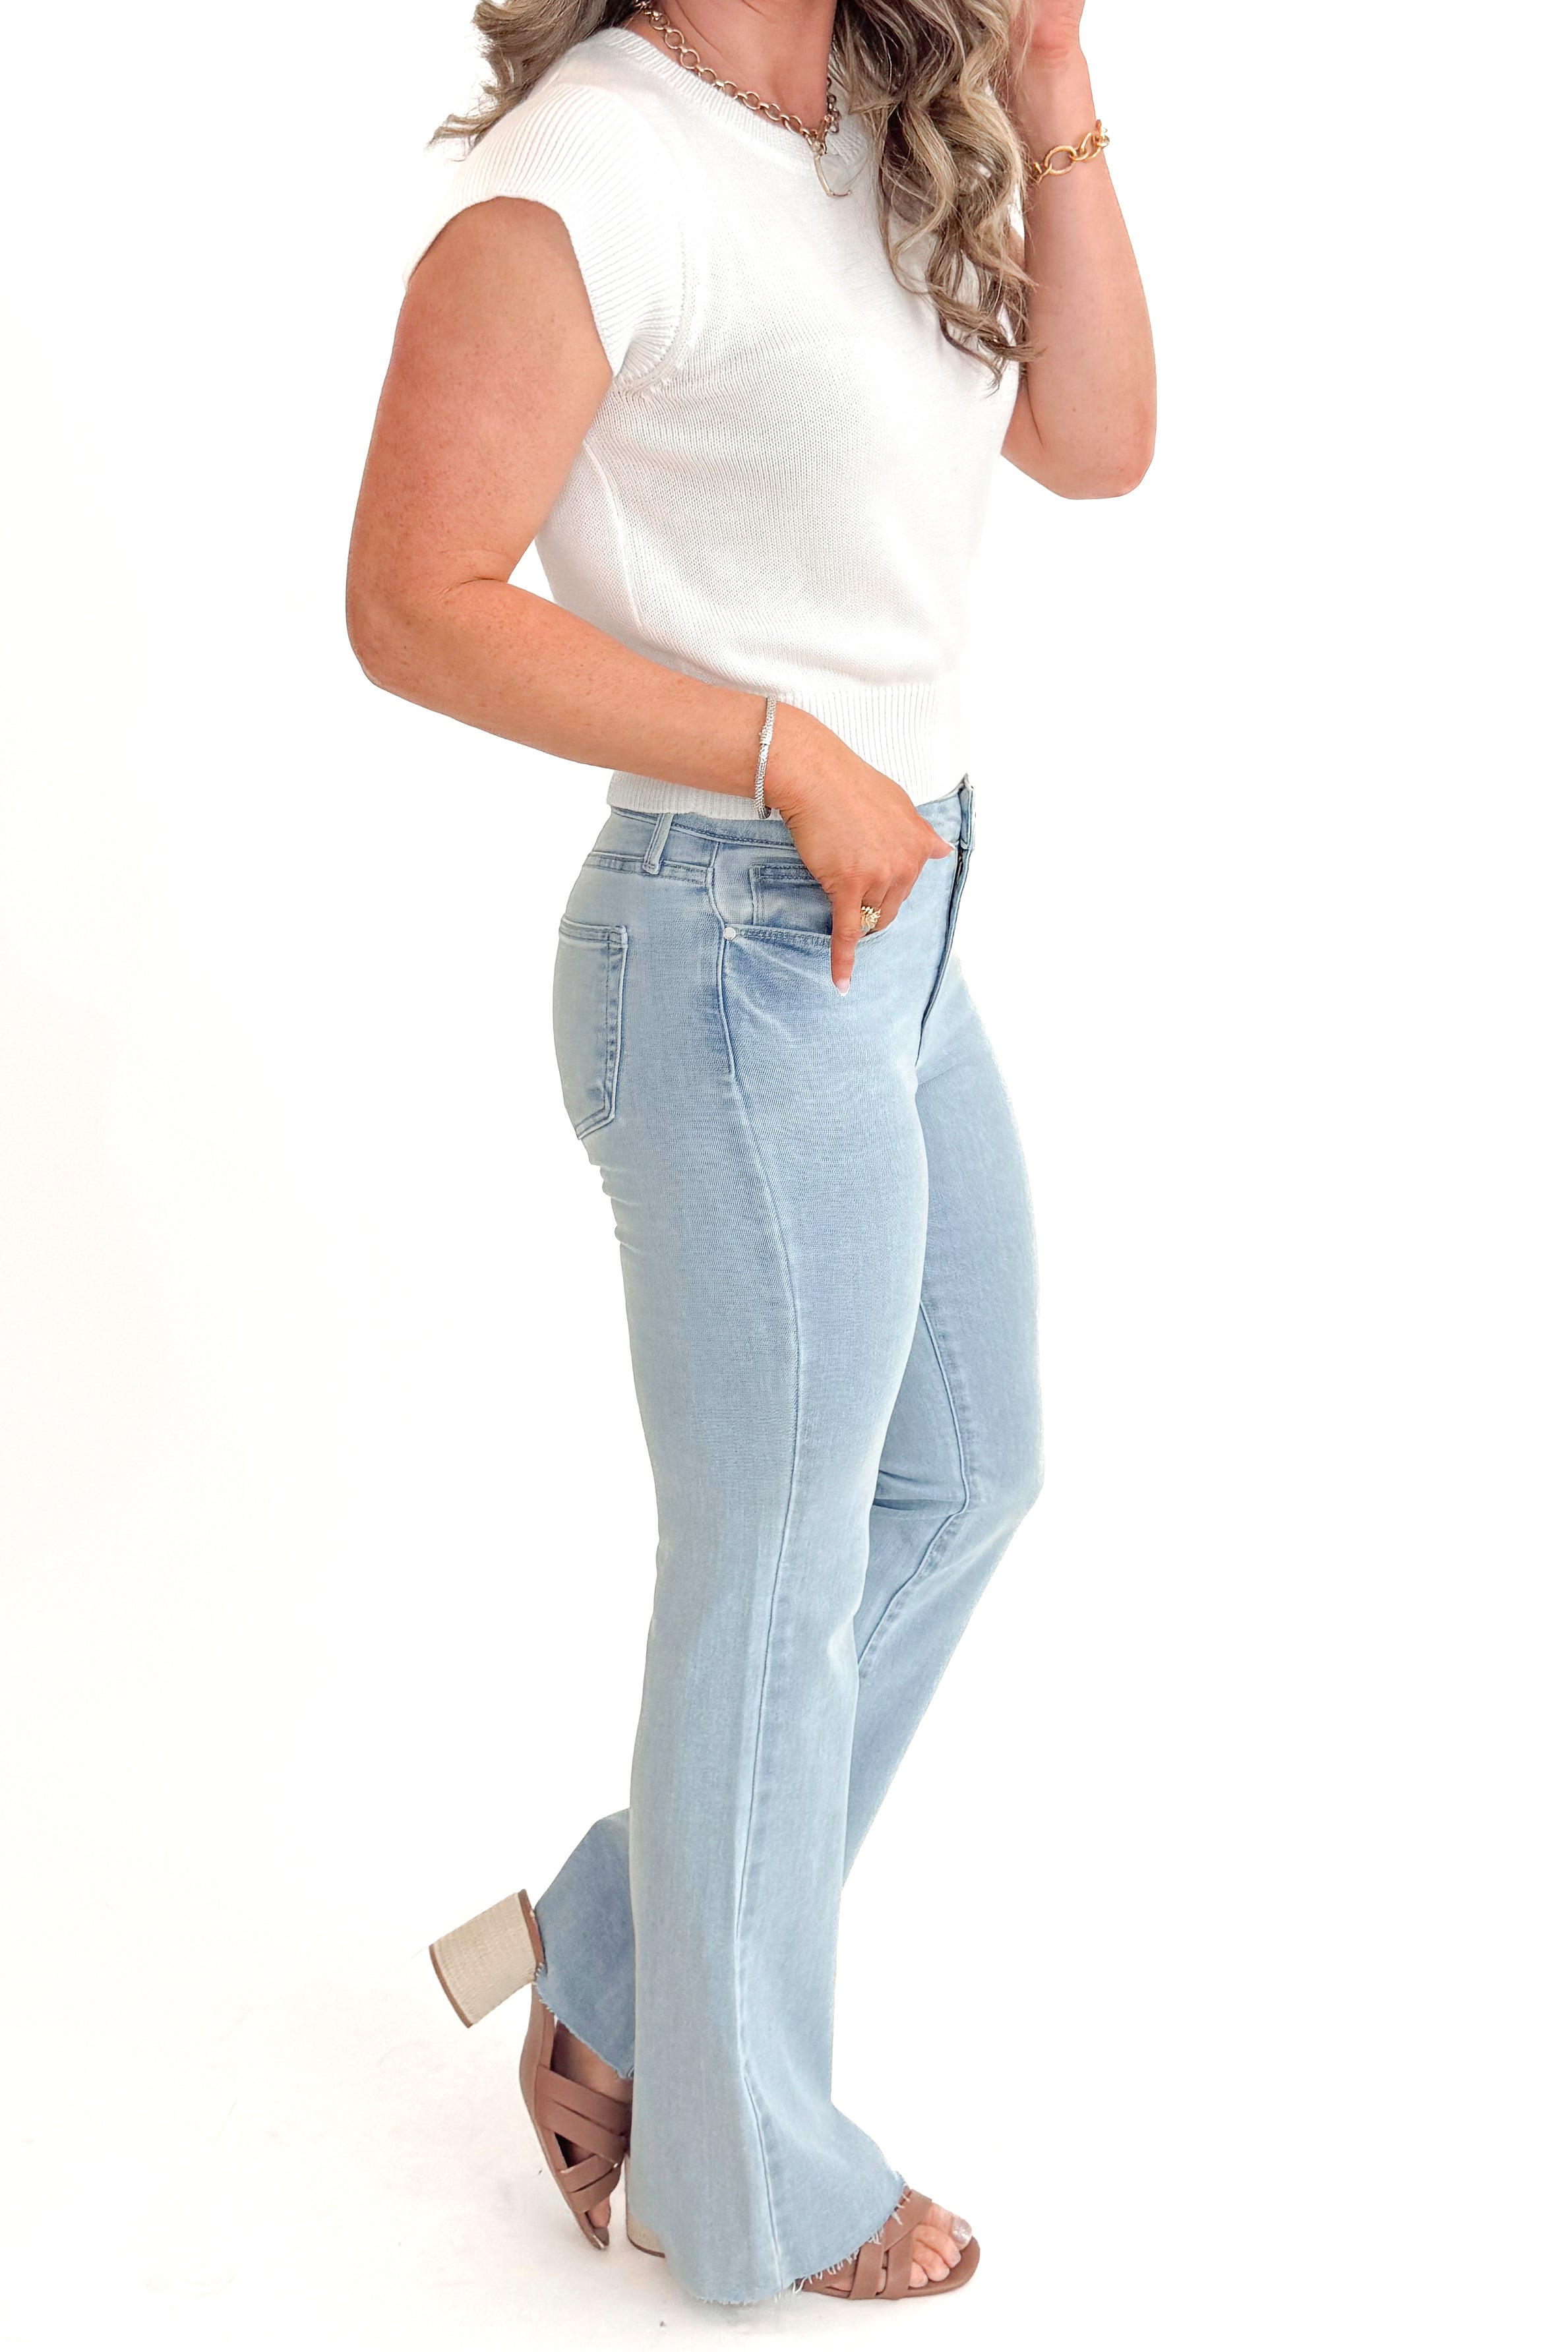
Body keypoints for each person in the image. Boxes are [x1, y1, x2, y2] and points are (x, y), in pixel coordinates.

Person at [347, 0, 1153, 2307]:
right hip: (728, 950)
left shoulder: (889, 115)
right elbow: (412, 597)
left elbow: (1097, 443)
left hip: (903, 918)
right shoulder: (580, 182)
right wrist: (782, 745)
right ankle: (740, 2174)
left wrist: (1057, 70)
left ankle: (608, 1941)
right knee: (771, 1595)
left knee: (960, 1479)